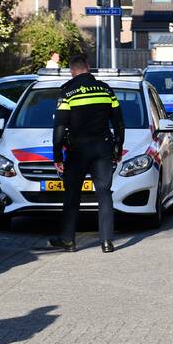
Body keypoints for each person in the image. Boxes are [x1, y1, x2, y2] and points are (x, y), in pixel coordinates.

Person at [49, 54, 125, 253]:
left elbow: (59, 128)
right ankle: (107, 241)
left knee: (73, 194)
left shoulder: (68, 92)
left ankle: (68, 240)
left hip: (78, 151)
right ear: (88, 67)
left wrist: (57, 156)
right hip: (103, 148)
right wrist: (118, 147)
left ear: (72, 71)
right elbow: (118, 122)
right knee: (104, 193)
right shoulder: (106, 89)